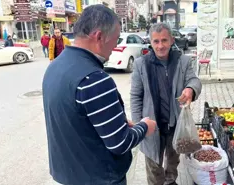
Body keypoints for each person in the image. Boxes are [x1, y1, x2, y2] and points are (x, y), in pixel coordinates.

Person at [42, 5, 156, 185]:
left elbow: (75, 117)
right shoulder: (95, 79)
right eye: (116, 39)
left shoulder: (55, 66)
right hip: (99, 177)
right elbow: (120, 144)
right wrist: (144, 127)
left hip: (68, 174)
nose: (116, 46)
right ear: (99, 36)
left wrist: (114, 122)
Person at [130, 22, 202, 185]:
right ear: (150, 42)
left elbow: (194, 80)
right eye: (156, 41)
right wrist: (138, 125)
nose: (160, 46)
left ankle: (170, 181)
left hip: (175, 125)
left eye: (164, 40)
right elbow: (135, 96)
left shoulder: (183, 61)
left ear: (171, 40)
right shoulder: (141, 64)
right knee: (154, 167)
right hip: (151, 127)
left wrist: (190, 89)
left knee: (172, 163)